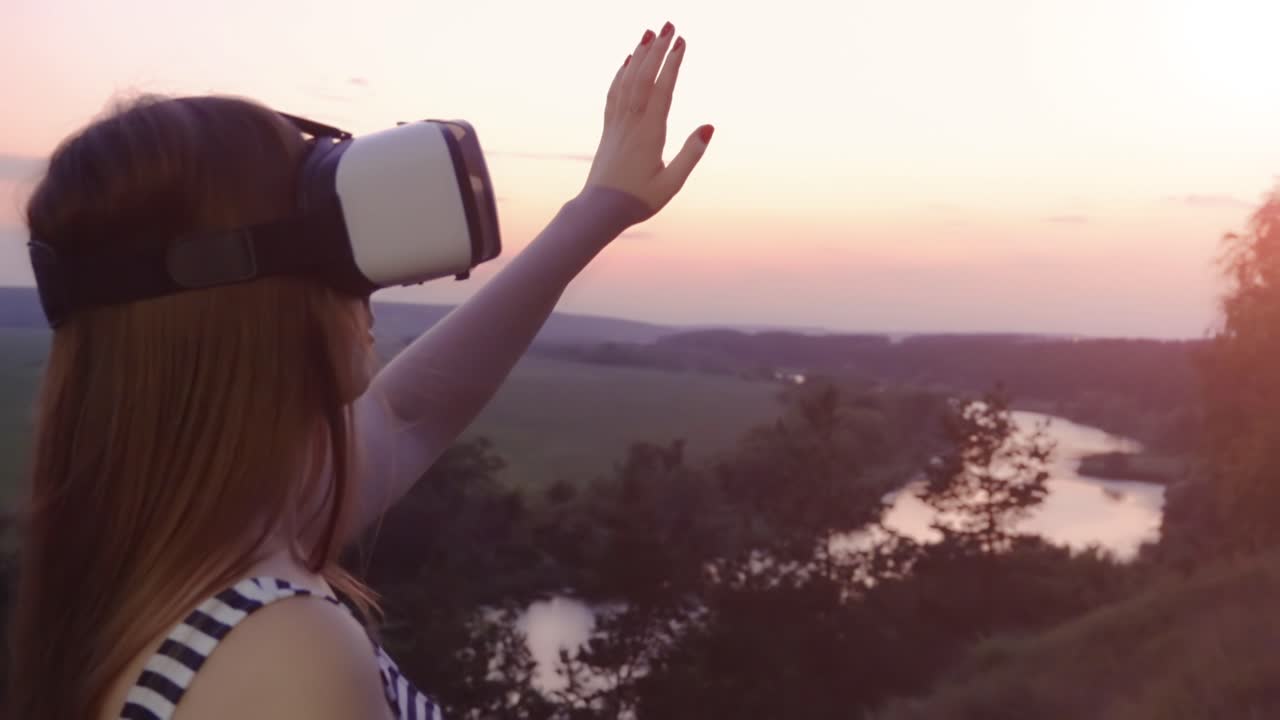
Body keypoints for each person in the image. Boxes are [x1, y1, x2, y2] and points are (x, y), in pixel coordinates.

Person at [6, 22, 711, 720]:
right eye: (336, 237)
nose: (370, 285)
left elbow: (409, 412)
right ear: (251, 298)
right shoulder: (280, 656)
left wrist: (596, 212)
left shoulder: (164, 557)